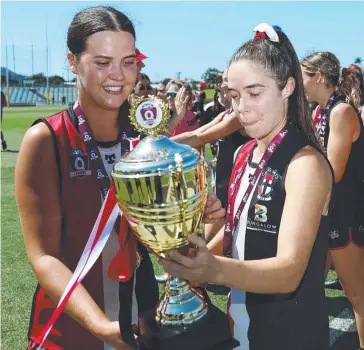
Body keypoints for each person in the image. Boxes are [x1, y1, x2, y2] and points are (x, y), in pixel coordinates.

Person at [15, 6, 225, 350]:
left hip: (137, 323)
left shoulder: (144, 141)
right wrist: (99, 325)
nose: (118, 75)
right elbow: (44, 257)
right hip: (71, 331)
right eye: (102, 62)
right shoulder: (47, 139)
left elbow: (153, 234)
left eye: (128, 62)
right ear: (72, 61)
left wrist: (192, 213)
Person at [160, 24, 333, 350]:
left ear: (287, 87)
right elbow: (245, 238)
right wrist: (202, 243)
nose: (242, 108)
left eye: (255, 93)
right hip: (243, 326)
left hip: (291, 334)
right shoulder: (243, 152)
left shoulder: (305, 164)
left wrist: (212, 269)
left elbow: (288, 272)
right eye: (235, 96)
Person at [302, 52, 364, 350]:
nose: (300, 83)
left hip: (346, 214)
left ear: (319, 78)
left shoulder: (341, 112)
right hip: (328, 213)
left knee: (357, 297)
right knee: (308, 288)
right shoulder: (320, 111)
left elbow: (333, 172)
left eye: (303, 76)